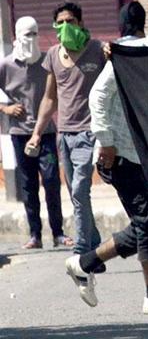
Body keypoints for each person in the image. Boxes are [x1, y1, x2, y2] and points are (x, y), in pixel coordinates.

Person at [64, 0, 148, 314]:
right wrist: (105, 141)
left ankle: (84, 263)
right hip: (117, 153)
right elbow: (99, 95)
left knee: (145, 225)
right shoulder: (132, 54)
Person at [27, 1, 106, 257]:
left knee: (81, 189)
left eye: (69, 21)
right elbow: (50, 98)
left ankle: (83, 252)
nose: (64, 26)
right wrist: (38, 132)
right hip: (65, 134)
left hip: (90, 131)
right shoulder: (52, 55)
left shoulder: (97, 50)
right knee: (75, 193)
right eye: (59, 23)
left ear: (80, 23)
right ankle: (95, 243)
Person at [0, 17, 72, 250]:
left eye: (34, 34)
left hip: (46, 133)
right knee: (28, 184)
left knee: (51, 181)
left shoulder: (46, 62)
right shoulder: (7, 65)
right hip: (20, 134)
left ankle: (58, 232)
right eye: (26, 34)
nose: (31, 39)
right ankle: (35, 234)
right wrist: (6, 108)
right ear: (16, 37)